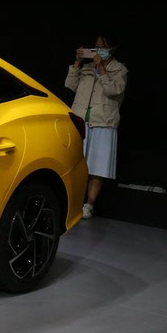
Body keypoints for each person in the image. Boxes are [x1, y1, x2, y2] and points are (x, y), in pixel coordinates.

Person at [66, 34, 128, 219]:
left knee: (97, 168)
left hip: (103, 121)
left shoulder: (120, 70)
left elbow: (113, 90)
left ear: (112, 49)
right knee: (74, 163)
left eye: (103, 47)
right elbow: (70, 85)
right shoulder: (87, 67)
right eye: (96, 46)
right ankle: (71, 201)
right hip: (81, 119)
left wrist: (102, 69)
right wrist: (77, 63)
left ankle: (89, 205)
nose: (98, 50)